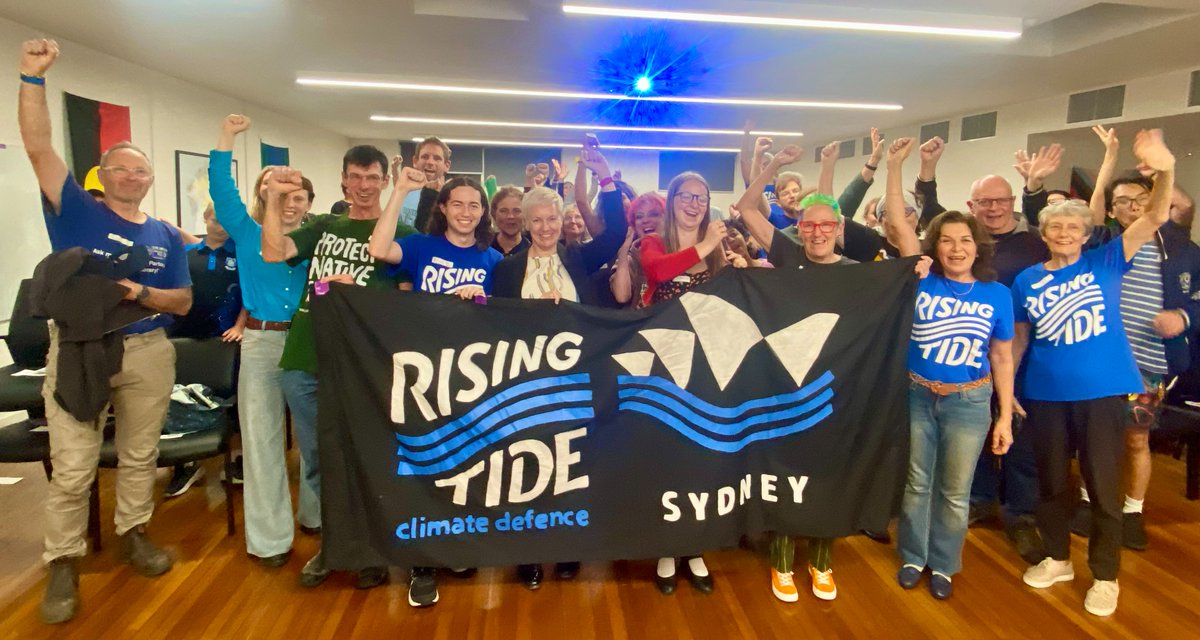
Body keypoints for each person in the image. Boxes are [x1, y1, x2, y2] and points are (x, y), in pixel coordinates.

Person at [19, 39, 193, 625]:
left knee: (142, 454)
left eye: (142, 170)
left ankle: (134, 533)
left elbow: (183, 299)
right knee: (73, 463)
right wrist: (31, 77)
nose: (134, 176)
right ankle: (62, 561)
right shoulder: (73, 210)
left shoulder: (165, 236)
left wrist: (135, 292)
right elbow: (38, 146)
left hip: (147, 347)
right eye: (122, 168)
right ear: (104, 174)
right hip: (79, 349)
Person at [1015, 129, 1175, 617]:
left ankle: (1105, 575)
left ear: (1086, 236)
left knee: (1103, 486)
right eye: (1055, 229)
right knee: (1050, 484)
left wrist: (1164, 169)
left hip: (1103, 393)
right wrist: (1011, 389)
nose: (1063, 235)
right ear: (1043, 235)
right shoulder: (1026, 279)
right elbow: (1021, 338)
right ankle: (1059, 557)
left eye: (1072, 229)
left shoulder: (1108, 260)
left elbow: (1155, 216)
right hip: (1044, 393)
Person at [262, 146, 417, 590]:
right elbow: (275, 253)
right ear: (344, 180)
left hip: (361, 366)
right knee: (316, 462)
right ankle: (333, 549)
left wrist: (359, 295)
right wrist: (274, 197)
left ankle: (366, 549)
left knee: (364, 459)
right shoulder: (322, 226)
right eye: (356, 177)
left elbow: (406, 304)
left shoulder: (399, 232)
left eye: (372, 177)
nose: (364, 186)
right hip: (304, 358)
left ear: (384, 181)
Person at [883, 137, 1016, 601]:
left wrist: (1003, 415)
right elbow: (899, 222)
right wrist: (896, 165)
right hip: (918, 395)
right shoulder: (921, 280)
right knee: (918, 483)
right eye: (947, 240)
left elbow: (1002, 355)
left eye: (965, 241)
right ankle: (913, 556)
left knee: (956, 491)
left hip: (970, 400)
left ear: (977, 247)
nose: (956, 249)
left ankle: (943, 564)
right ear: (935, 246)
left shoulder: (997, 295)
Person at [492, 143, 627, 587]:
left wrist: (605, 177)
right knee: (527, 466)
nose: (547, 227)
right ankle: (528, 553)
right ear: (525, 225)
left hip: (575, 380)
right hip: (525, 381)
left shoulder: (577, 256)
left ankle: (568, 546)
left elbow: (614, 232)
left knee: (570, 464)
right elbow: (494, 322)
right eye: (537, 220)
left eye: (553, 218)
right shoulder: (508, 270)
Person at [369, 168, 503, 608]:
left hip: (474, 380)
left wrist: (479, 300)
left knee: (467, 464)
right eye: (457, 204)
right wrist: (401, 191)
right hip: (423, 376)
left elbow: (508, 318)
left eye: (474, 205)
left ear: (483, 213)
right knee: (422, 463)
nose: (466, 212)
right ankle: (422, 562)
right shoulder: (422, 246)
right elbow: (378, 248)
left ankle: (457, 543)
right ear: (443, 208)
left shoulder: (493, 259)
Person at [917, 139, 1053, 564]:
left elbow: (1059, 225)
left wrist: (1036, 189)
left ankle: (1020, 513)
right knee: (969, 439)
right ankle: (977, 499)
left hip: (1019, 355)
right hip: (962, 367)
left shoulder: (1033, 243)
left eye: (1001, 200)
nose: (993, 208)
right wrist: (927, 167)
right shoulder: (955, 248)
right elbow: (929, 216)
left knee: (1017, 435)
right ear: (972, 207)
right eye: (984, 202)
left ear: (1012, 202)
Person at [1066, 138, 1200, 550]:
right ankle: (1090, 502)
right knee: (1095, 436)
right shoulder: (1103, 242)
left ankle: (1133, 511)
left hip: (1148, 361)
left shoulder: (1181, 249)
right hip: (1098, 360)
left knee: (1136, 439)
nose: (1130, 207)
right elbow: (1092, 207)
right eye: (1120, 201)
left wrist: (1183, 318)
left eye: (1137, 199)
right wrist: (1108, 160)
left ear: (1152, 201)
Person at [208, 114, 316, 568]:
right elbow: (220, 191)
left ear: (310, 201)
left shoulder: (318, 237)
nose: (290, 204)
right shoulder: (248, 233)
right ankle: (271, 539)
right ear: (264, 196)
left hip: (310, 343)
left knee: (315, 436)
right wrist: (228, 136)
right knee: (262, 439)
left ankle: (318, 515)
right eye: (280, 195)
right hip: (263, 343)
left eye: (298, 197)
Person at [638, 170, 746, 595]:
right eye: (686, 195)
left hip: (708, 365)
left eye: (702, 197)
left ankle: (696, 545)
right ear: (672, 200)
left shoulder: (722, 249)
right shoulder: (654, 241)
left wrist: (741, 266)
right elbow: (658, 271)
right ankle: (668, 545)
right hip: (664, 366)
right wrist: (706, 244)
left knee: (704, 453)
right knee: (666, 455)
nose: (694, 203)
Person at [164, 202, 247, 499]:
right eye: (215, 219)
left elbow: (250, 294)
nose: (220, 225)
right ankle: (184, 464)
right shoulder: (186, 255)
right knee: (178, 397)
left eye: (226, 220)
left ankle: (236, 459)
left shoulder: (242, 254)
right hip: (183, 335)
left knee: (233, 400)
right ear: (205, 219)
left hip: (226, 337)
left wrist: (240, 326)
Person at [610, 191, 667, 308]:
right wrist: (624, 250)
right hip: (641, 323)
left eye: (654, 214)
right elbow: (621, 296)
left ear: (667, 219)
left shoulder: (680, 251)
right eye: (639, 217)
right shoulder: (630, 258)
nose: (645, 220)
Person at [401, 136, 451, 230]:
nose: (430, 162)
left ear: (447, 165)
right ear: (415, 161)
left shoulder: (451, 199)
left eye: (437, 158)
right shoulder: (403, 193)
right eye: (425, 157)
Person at [490, 185, 530, 257]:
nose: (510, 216)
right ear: (494, 214)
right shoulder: (482, 249)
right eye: (503, 211)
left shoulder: (532, 252)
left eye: (517, 211)